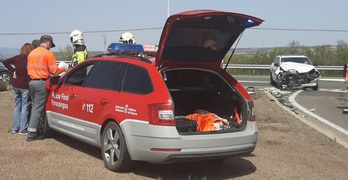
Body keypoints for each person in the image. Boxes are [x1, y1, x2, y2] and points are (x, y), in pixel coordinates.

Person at [26, 35, 68, 141]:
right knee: (38, 108)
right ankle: (31, 133)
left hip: (32, 82)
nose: (50, 47)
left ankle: (35, 129)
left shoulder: (32, 53)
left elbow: (33, 68)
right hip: (41, 83)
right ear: (48, 42)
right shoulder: (47, 53)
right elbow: (54, 70)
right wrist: (64, 68)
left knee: (35, 106)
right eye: (51, 45)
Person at [2, 43, 35, 135]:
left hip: (16, 85)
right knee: (25, 107)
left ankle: (15, 128)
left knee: (17, 106)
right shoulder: (30, 60)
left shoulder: (17, 58)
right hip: (25, 86)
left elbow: (5, 62)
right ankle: (23, 129)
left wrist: (14, 71)